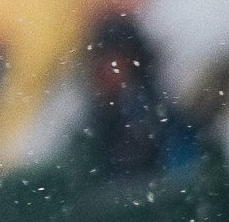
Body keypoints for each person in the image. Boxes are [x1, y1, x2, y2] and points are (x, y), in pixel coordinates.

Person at [67, 12, 210, 185]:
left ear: (134, 62)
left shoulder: (159, 119)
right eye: (97, 61)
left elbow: (185, 181)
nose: (101, 71)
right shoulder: (92, 125)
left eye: (111, 61)